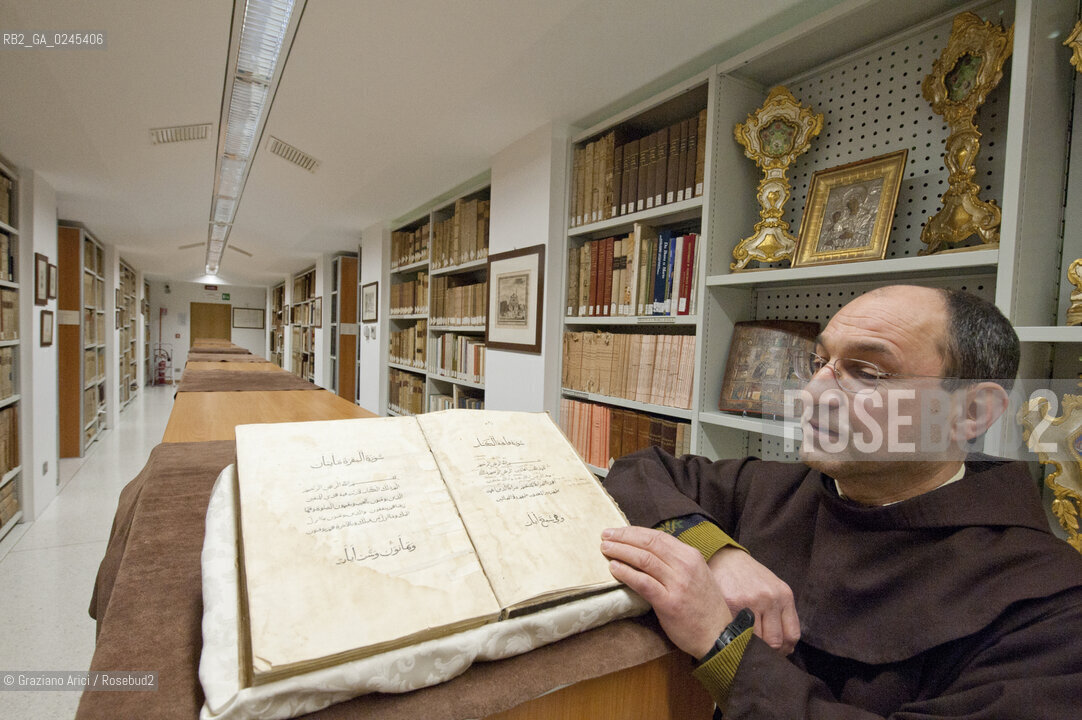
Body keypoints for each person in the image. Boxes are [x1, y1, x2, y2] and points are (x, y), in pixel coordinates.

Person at [600, 285, 1082, 718]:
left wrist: (721, 642)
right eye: (819, 363)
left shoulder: (1048, 601)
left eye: (868, 372)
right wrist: (716, 552)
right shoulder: (771, 489)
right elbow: (640, 471)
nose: (814, 393)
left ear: (972, 412)